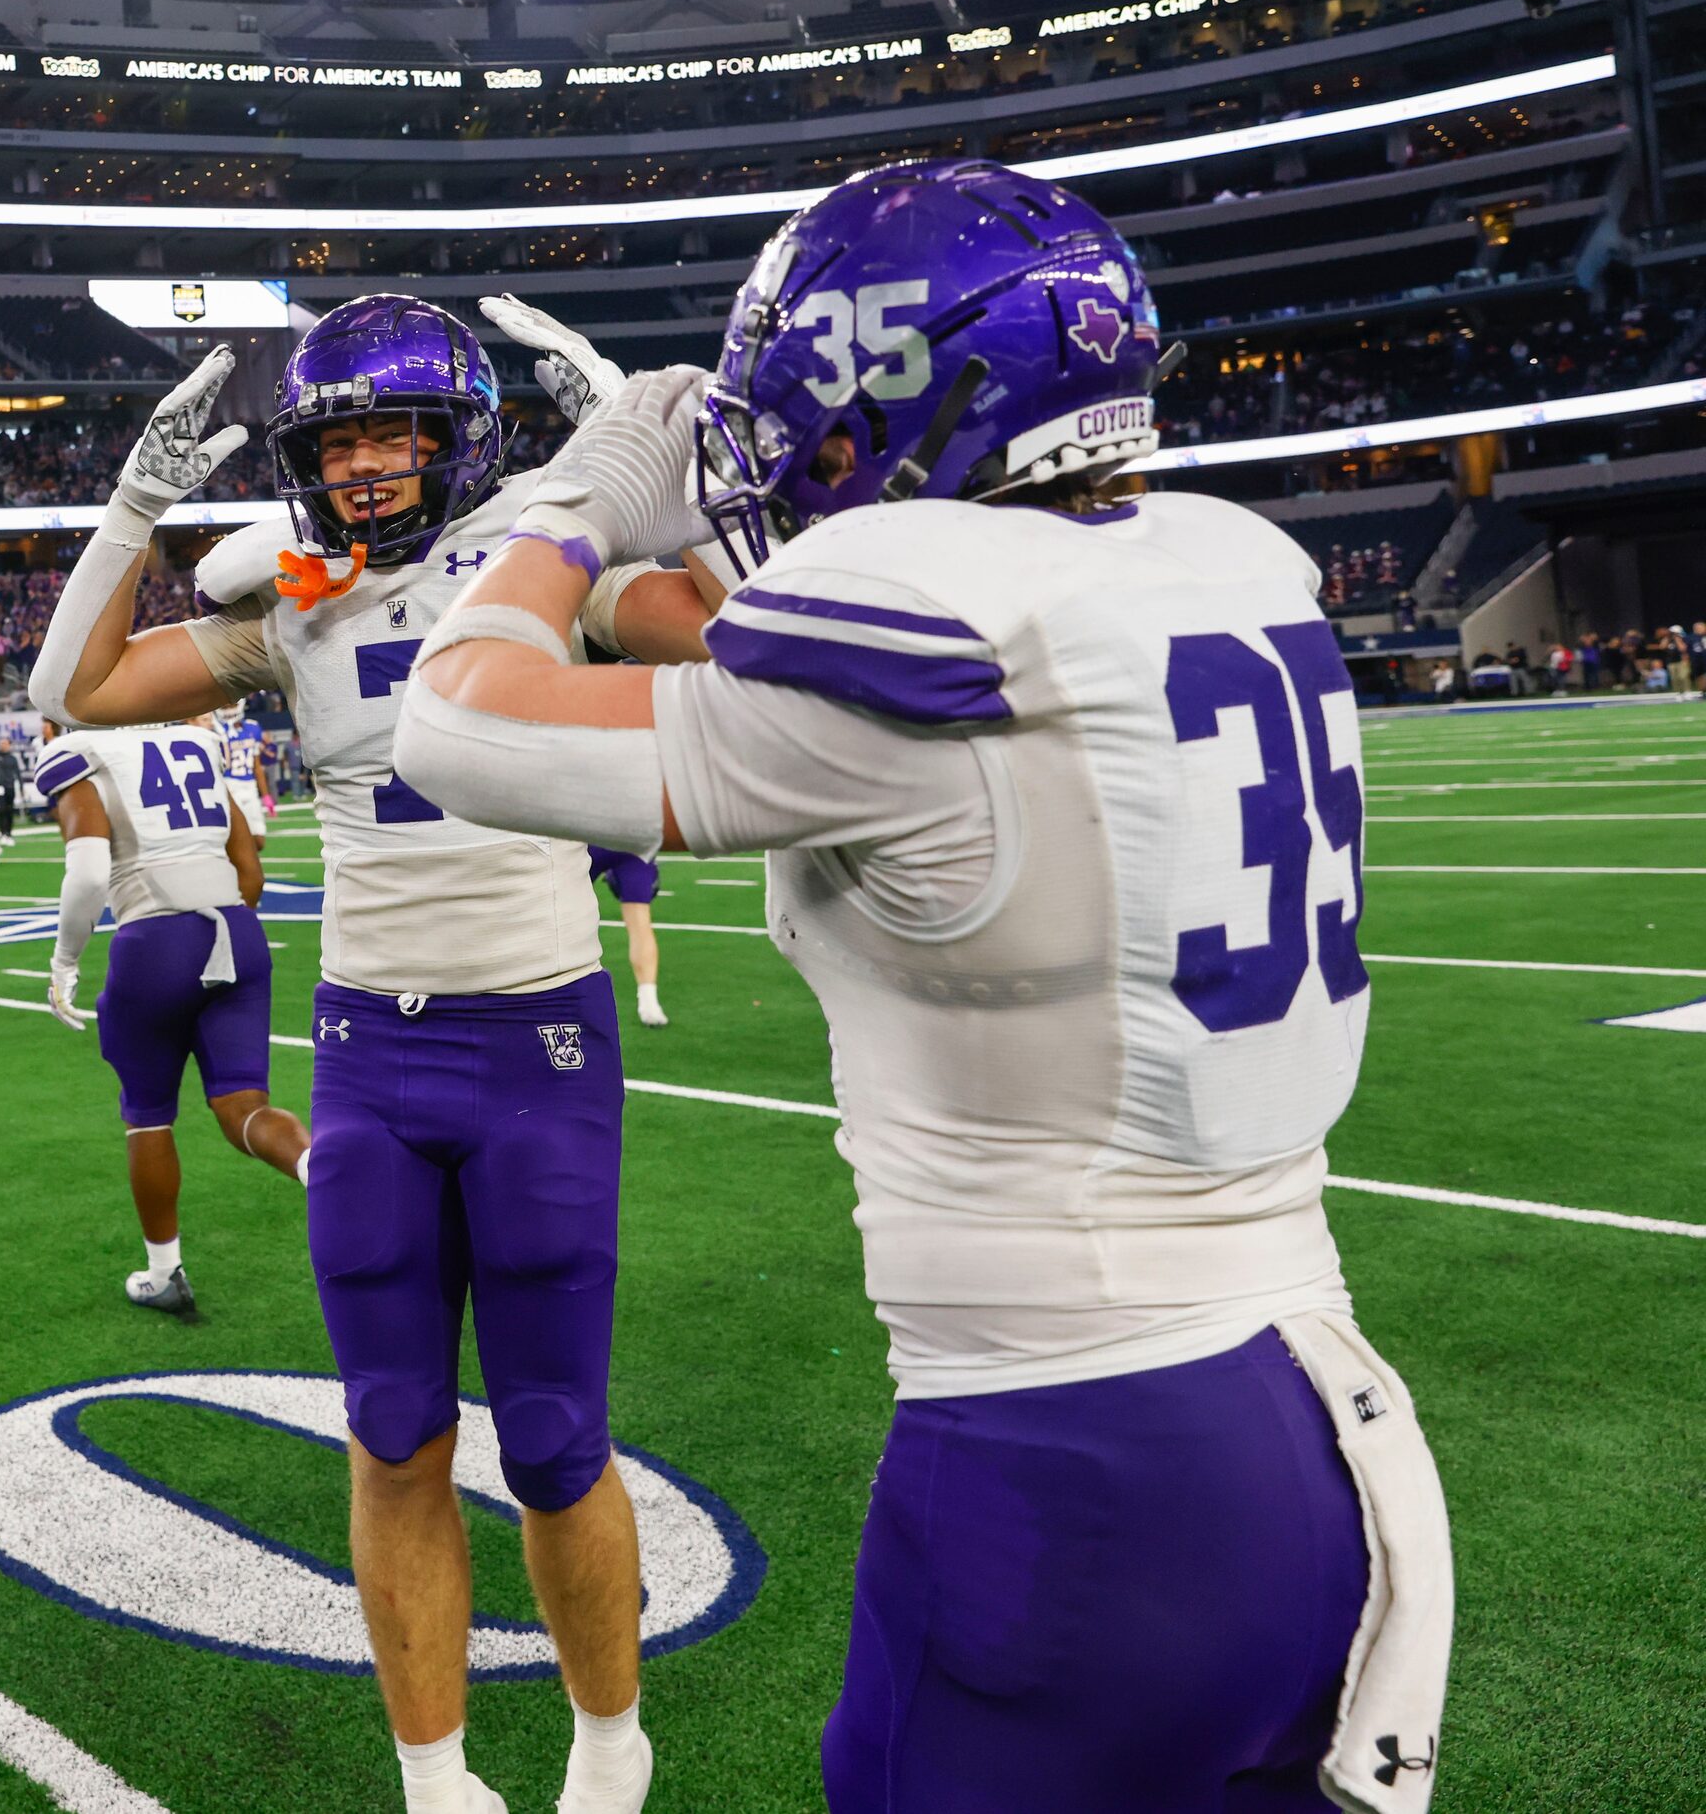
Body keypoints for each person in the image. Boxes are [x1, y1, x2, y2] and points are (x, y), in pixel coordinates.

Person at [393, 159, 1454, 1814]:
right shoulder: (1220, 570)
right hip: (1319, 1427)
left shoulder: (923, 639)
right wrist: (633, 588)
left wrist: (578, 505)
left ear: (915, 398)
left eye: (807, 427)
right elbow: (845, 702)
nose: (780, 467)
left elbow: (452, 720)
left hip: (1070, 1471)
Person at [27, 299, 730, 1814]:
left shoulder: (547, 559)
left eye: (389, 431)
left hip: (536, 1040)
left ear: (455, 434)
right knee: (393, 1428)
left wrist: (672, 490)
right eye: (334, 437)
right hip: (367, 1058)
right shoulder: (290, 600)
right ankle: (435, 1780)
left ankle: (612, 1746)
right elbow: (70, 696)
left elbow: (759, 647)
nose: (359, 466)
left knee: (551, 1435)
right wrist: (135, 503)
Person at [38, 713, 305, 1314]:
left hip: (154, 943)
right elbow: (251, 871)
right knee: (244, 1107)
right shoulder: (197, 741)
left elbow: (85, 875)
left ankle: (164, 1272)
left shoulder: (79, 751)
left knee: (148, 1116)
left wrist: (63, 962)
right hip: (237, 931)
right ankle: (323, 1172)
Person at [585, 848, 663, 1026]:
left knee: (561, 911)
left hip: (588, 838)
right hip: (630, 838)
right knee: (640, 922)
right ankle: (649, 1004)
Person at [216, 702, 269, 847]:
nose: (228, 710)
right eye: (224, 707)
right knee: (235, 840)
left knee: (259, 841)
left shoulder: (253, 728)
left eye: (230, 705)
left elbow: (257, 766)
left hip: (250, 787)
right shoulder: (217, 731)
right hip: (229, 786)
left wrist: (266, 795)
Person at [0, 737, 21, 846]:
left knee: (10, 810)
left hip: (10, 787)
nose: (3, 745)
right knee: (1, 810)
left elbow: (18, 773)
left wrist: (21, 787)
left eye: (5, 743)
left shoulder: (12, 758)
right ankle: (2, 833)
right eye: (1, 743)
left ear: (9, 745)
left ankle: (9, 833)